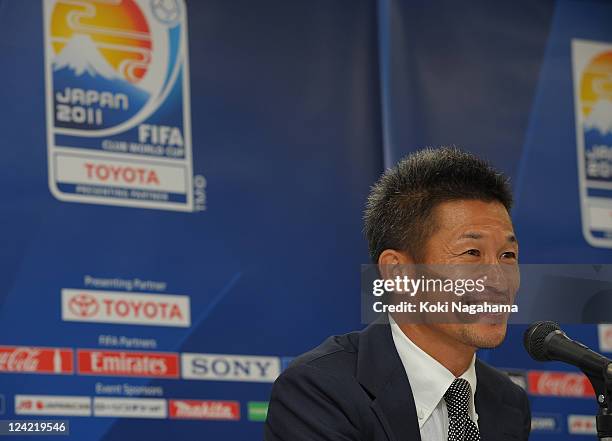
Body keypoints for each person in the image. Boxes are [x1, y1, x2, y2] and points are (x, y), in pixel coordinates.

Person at [264, 147, 530, 441]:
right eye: (471, 253)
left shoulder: (508, 403)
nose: (499, 280)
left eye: (508, 255)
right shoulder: (319, 390)